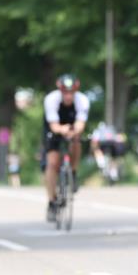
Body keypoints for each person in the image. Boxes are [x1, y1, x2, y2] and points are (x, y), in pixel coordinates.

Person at [43, 74, 90, 221]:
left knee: (76, 142)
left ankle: (73, 172)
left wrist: (74, 131)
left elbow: (81, 123)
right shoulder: (51, 99)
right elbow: (54, 125)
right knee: (52, 163)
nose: (68, 96)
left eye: (71, 92)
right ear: (60, 91)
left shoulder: (82, 100)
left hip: (72, 126)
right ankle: (52, 201)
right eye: (65, 92)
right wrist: (62, 130)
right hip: (54, 127)